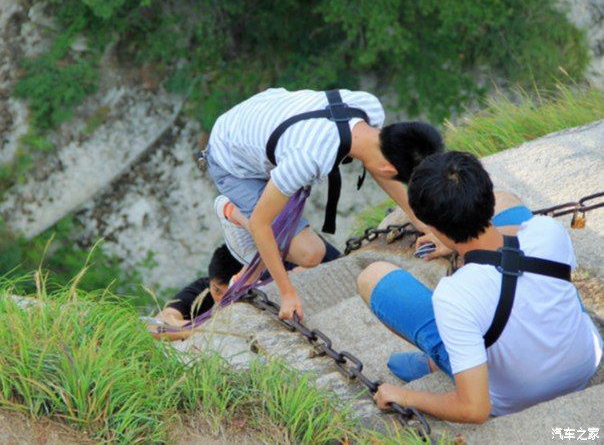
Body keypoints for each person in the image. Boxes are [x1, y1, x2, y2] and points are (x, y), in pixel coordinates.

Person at [356, 151, 602, 422]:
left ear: (433, 227)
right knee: (511, 203)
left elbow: (475, 409)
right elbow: (510, 237)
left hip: (514, 398)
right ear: (486, 194)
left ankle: (438, 359)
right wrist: (454, 243)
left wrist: (406, 396)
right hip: (585, 360)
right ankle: (459, 353)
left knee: (372, 276)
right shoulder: (548, 231)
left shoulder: (454, 295)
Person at [205, 88, 443, 320]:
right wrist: (287, 294)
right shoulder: (307, 158)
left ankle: (263, 208)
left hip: (260, 121)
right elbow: (260, 224)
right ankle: (229, 210)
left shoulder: (368, 108)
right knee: (310, 254)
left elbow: (378, 164)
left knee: (284, 228)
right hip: (230, 158)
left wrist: (425, 225)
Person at [156, 244, 243, 330]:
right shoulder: (202, 290)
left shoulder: (254, 291)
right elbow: (158, 323)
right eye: (217, 290)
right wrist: (205, 330)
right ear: (210, 280)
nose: (222, 300)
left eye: (232, 293)